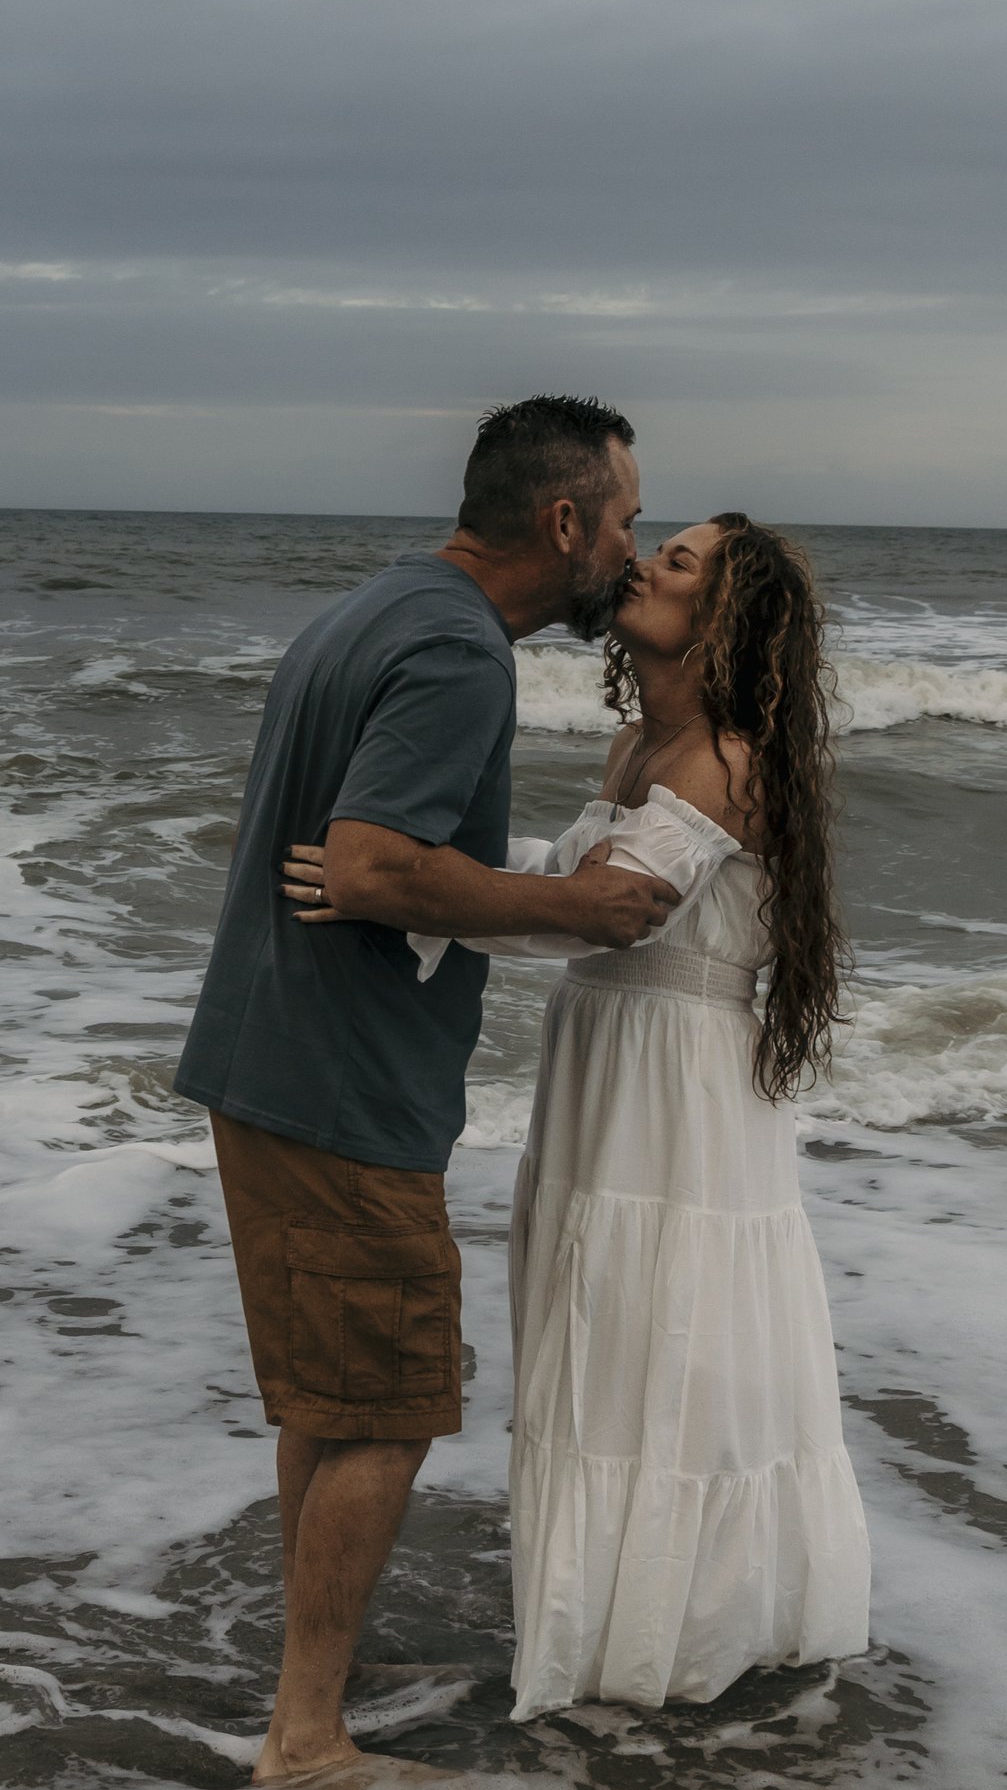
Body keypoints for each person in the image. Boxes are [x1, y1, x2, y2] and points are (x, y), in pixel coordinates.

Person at [176, 396, 682, 1790]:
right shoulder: (460, 651)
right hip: (338, 1077)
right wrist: (573, 904)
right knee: (390, 1405)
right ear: (563, 521)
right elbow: (370, 865)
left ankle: (318, 1664)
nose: (634, 547)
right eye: (628, 518)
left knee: (330, 1398)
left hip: (267, 1052)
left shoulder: (377, 608)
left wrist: (390, 869)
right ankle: (308, 1736)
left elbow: (353, 856)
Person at [288, 511, 871, 1720]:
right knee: (604, 1320)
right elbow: (559, 885)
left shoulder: (722, 758)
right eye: (655, 544)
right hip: (608, 1052)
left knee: (661, 1325)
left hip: (677, 1082)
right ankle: (610, 1616)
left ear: (726, 616)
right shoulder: (633, 746)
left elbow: (604, 913)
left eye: (682, 561)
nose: (646, 561)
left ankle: (664, 1630)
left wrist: (386, 894)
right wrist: (401, 881)